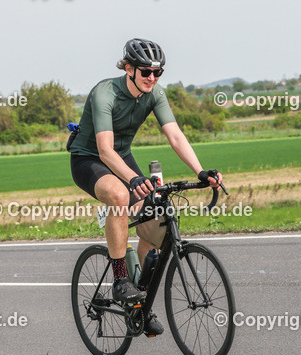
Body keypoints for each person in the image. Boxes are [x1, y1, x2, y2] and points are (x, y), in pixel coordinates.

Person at [69, 38, 223, 338]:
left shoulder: (155, 94)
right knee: (119, 195)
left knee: (156, 224)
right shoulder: (105, 93)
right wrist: (133, 179)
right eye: (145, 72)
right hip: (90, 159)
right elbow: (104, 150)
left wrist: (201, 171)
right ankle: (120, 279)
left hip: (122, 157)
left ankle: (139, 302)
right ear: (128, 68)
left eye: (157, 72)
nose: (152, 77)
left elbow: (175, 136)